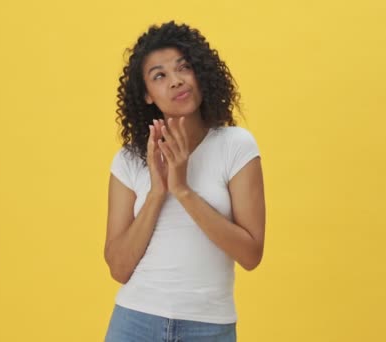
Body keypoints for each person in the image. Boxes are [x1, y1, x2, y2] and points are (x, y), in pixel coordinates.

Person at [104, 21, 266, 341]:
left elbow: (251, 255)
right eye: (159, 75)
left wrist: (182, 190)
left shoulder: (236, 146)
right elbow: (119, 268)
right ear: (147, 95)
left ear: (200, 74)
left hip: (208, 328)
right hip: (135, 323)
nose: (176, 81)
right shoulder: (129, 160)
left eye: (184, 68)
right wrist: (157, 192)